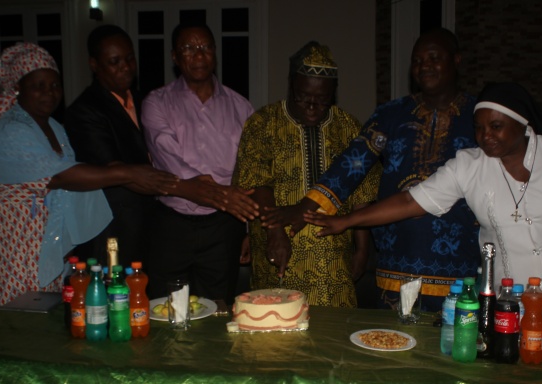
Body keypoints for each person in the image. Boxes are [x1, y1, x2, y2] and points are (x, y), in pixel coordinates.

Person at [304, 82, 542, 318]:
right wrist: (345, 220)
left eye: (495, 127)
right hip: (511, 307)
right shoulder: (469, 166)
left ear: (522, 124)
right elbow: (410, 202)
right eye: (479, 128)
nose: (485, 136)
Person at [0, 42, 177, 326]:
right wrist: (128, 174)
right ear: (18, 88)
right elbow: (61, 176)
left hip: (44, 240)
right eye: (38, 85)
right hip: (10, 242)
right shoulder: (10, 130)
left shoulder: (54, 128)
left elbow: (77, 171)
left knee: (44, 320)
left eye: (55, 84)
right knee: (12, 323)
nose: (49, 92)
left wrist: (115, 169)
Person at [263, 28, 480, 312]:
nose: (424, 65)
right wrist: (307, 207)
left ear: (457, 60)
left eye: (434, 58)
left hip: (460, 261)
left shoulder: (479, 117)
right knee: (390, 345)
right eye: (417, 60)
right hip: (397, 260)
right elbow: (353, 163)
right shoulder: (391, 115)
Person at [232, 41, 379, 307]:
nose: (312, 106)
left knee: (333, 336)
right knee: (277, 331)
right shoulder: (263, 123)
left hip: (332, 257)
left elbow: (362, 193)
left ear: (333, 93)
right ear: (291, 84)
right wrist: (275, 233)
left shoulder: (349, 127)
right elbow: (256, 184)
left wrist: (362, 250)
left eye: (322, 100)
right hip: (278, 249)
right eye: (304, 97)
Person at [142, 22, 258, 302]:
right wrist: (220, 194)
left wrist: (250, 230)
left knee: (218, 308)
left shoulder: (241, 107)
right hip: (173, 224)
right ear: (174, 56)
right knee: (167, 307)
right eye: (189, 48)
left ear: (215, 52)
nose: (198, 55)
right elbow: (168, 158)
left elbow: (252, 171)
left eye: (205, 47)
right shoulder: (156, 102)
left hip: (224, 226)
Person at [64, 25, 155, 268]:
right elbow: (116, 169)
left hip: (149, 223)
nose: (125, 66)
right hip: (113, 228)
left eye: (129, 58)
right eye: (114, 61)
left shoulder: (144, 99)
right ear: (94, 64)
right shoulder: (84, 110)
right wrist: (182, 186)